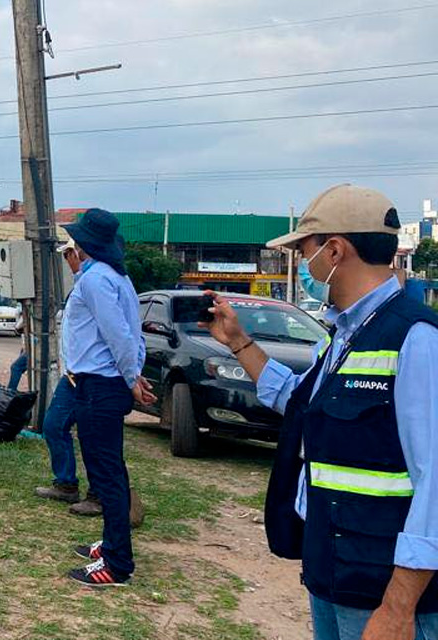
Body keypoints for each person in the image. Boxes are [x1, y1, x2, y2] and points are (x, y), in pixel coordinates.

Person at [205, 184, 438, 640]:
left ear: (334, 251)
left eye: (303, 251)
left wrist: (398, 607)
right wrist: (238, 342)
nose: (301, 265)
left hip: (384, 592)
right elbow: (297, 402)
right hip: (333, 570)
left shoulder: (417, 340)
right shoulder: (342, 337)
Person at [58, 209, 155, 588]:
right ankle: (113, 543)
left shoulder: (97, 280)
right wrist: (132, 374)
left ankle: (117, 564)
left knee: (106, 474)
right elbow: (132, 334)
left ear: (85, 245)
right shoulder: (114, 277)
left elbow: (118, 334)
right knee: (110, 468)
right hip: (105, 381)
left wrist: (131, 377)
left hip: (100, 384)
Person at [34, 239, 87, 505]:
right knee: (54, 426)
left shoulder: (95, 284)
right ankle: (66, 483)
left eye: (68, 254)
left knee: (88, 434)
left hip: (87, 375)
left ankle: (98, 493)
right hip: (74, 374)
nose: (68, 261)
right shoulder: (81, 284)